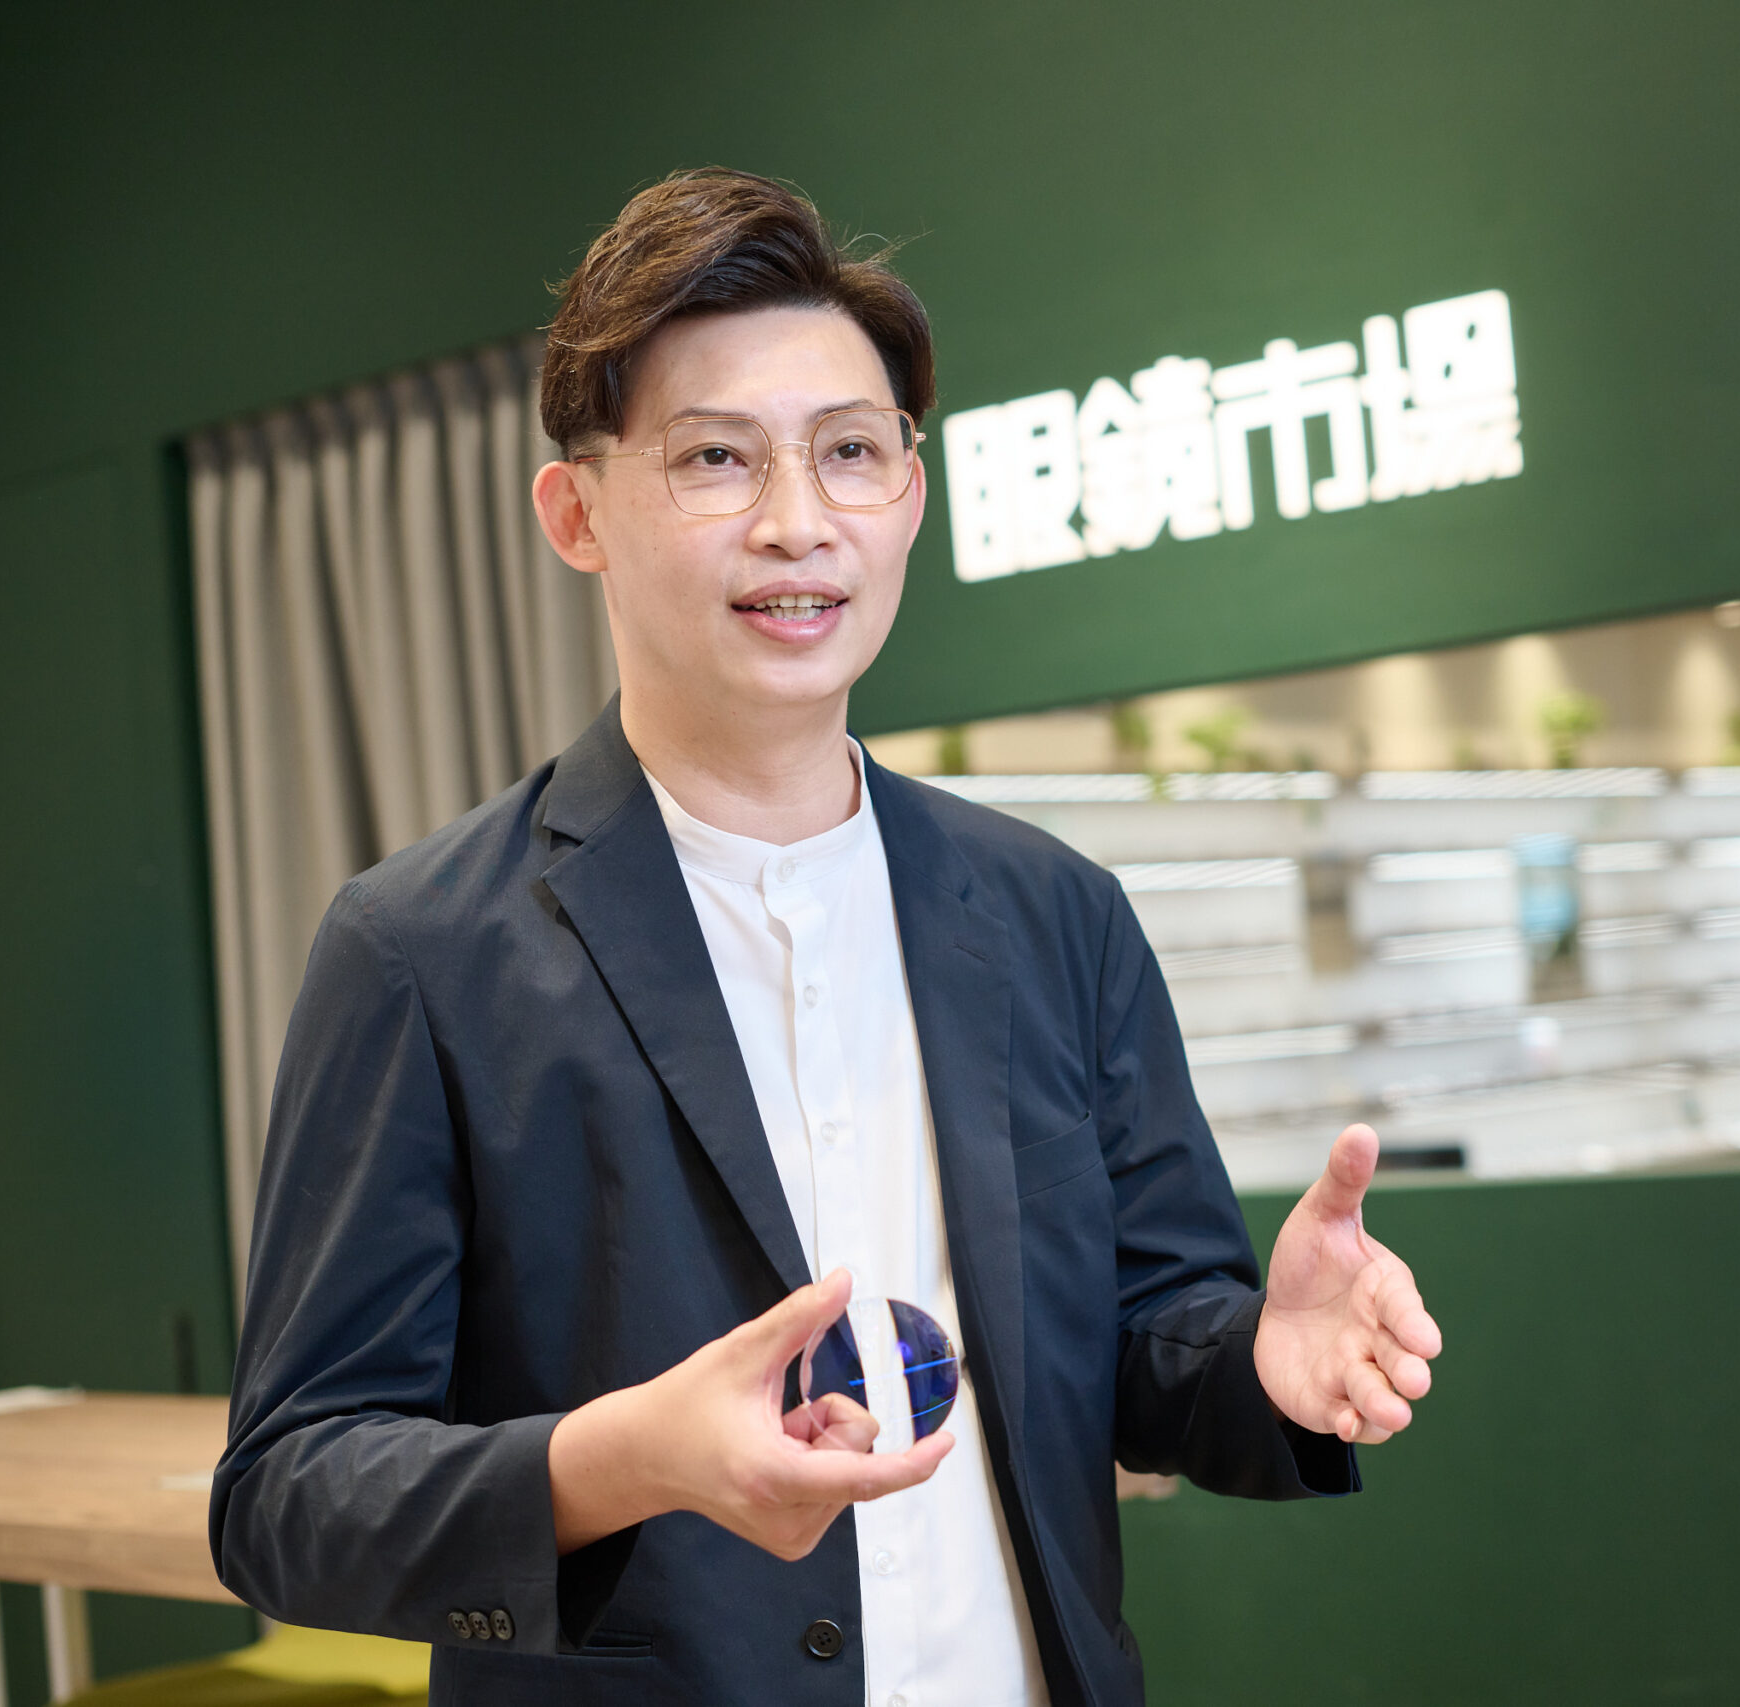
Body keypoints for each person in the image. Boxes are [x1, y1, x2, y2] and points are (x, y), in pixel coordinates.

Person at [211, 167, 1443, 1707]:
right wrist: (618, 1460)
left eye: (851, 453)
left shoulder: (1054, 912)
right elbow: (287, 1497)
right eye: (715, 459)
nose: (797, 524)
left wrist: (1261, 1359)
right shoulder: (423, 951)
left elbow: (1144, 1339)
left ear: (910, 495)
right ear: (576, 513)